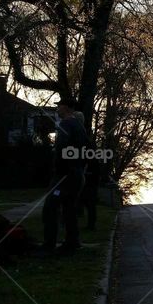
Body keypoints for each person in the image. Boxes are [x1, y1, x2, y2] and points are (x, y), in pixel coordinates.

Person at [42, 98, 88, 253]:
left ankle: (49, 243)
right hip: (76, 173)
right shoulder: (80, 126)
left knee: (50, 206)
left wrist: (59, 167)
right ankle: (72, 241)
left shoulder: (66, 124)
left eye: (59, 106)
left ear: (66, 107)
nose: (57, 109)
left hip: (64, 175)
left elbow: (61, 148)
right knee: (69, 207)